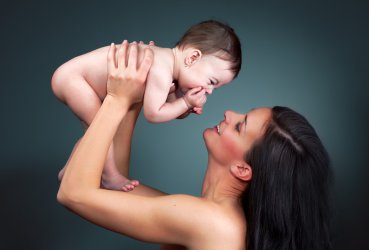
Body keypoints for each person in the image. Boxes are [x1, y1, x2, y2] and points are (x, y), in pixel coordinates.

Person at [57, 41, 332, 250]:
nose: (229, 113)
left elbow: (73, 193)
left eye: (240, 125)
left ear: (242, 169)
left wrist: (118, 100)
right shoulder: (209, 216)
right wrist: (136, 94)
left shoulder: (214, 224)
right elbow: (110, 184)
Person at [51, 20, 242, 191]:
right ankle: (109, 176)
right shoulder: (160, 68)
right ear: (192, 58)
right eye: (211, 81)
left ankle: (70, 170)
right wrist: (184, 102)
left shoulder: (167, 65)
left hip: (76, 79)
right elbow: (154, 113)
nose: (209, 90)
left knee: (94, 133)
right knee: (102, 131)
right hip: (74, 80)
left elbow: (168, 106)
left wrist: (184, 107)